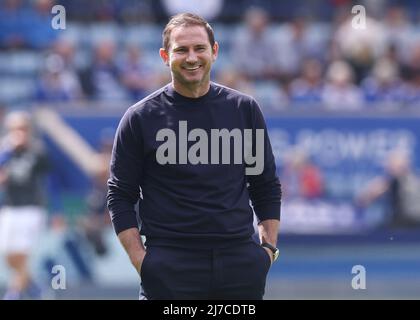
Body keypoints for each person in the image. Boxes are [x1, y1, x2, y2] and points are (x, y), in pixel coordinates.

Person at [107, 13, 281, 300]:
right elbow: (119, 194)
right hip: (169, 265)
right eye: (181, 50)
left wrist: (267, 250)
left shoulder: (244, 109)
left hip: (239, 263)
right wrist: (141, 260)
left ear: (214, 51)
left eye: (199, 48)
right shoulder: (139, 118)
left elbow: (265, 184)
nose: (191, 58)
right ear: (165, 56)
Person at [0, 111, 49, 299]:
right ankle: (35, 288)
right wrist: (8, 151)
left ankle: (12, 295)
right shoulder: (5, 150)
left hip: (31, 207)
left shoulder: (37, 150)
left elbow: (47, 173)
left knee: (21, 254)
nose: (19, 132)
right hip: (10, 207)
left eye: (22, 128)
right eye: (15, 128)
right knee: (8, 255)